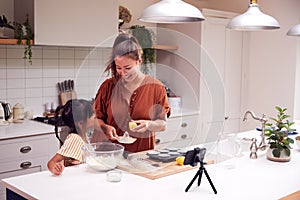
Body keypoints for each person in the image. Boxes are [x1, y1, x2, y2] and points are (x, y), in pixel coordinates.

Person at [92, 33, 170, 153]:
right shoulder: (108, 87)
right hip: (109, 155)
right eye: (119, 68)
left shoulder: (156, 88)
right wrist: (105, 127)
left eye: (128, 68)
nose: (123, 73)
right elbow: (96, 119)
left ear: (139, 61)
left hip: (141, 156)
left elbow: (162, 124)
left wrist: (148, 125)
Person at [47, 99, 94, 176]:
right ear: (81, 123)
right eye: (92, 115)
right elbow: (52, 162)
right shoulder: (75, 139)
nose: (95, 116)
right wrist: (56, 167)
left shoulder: (86, 137)